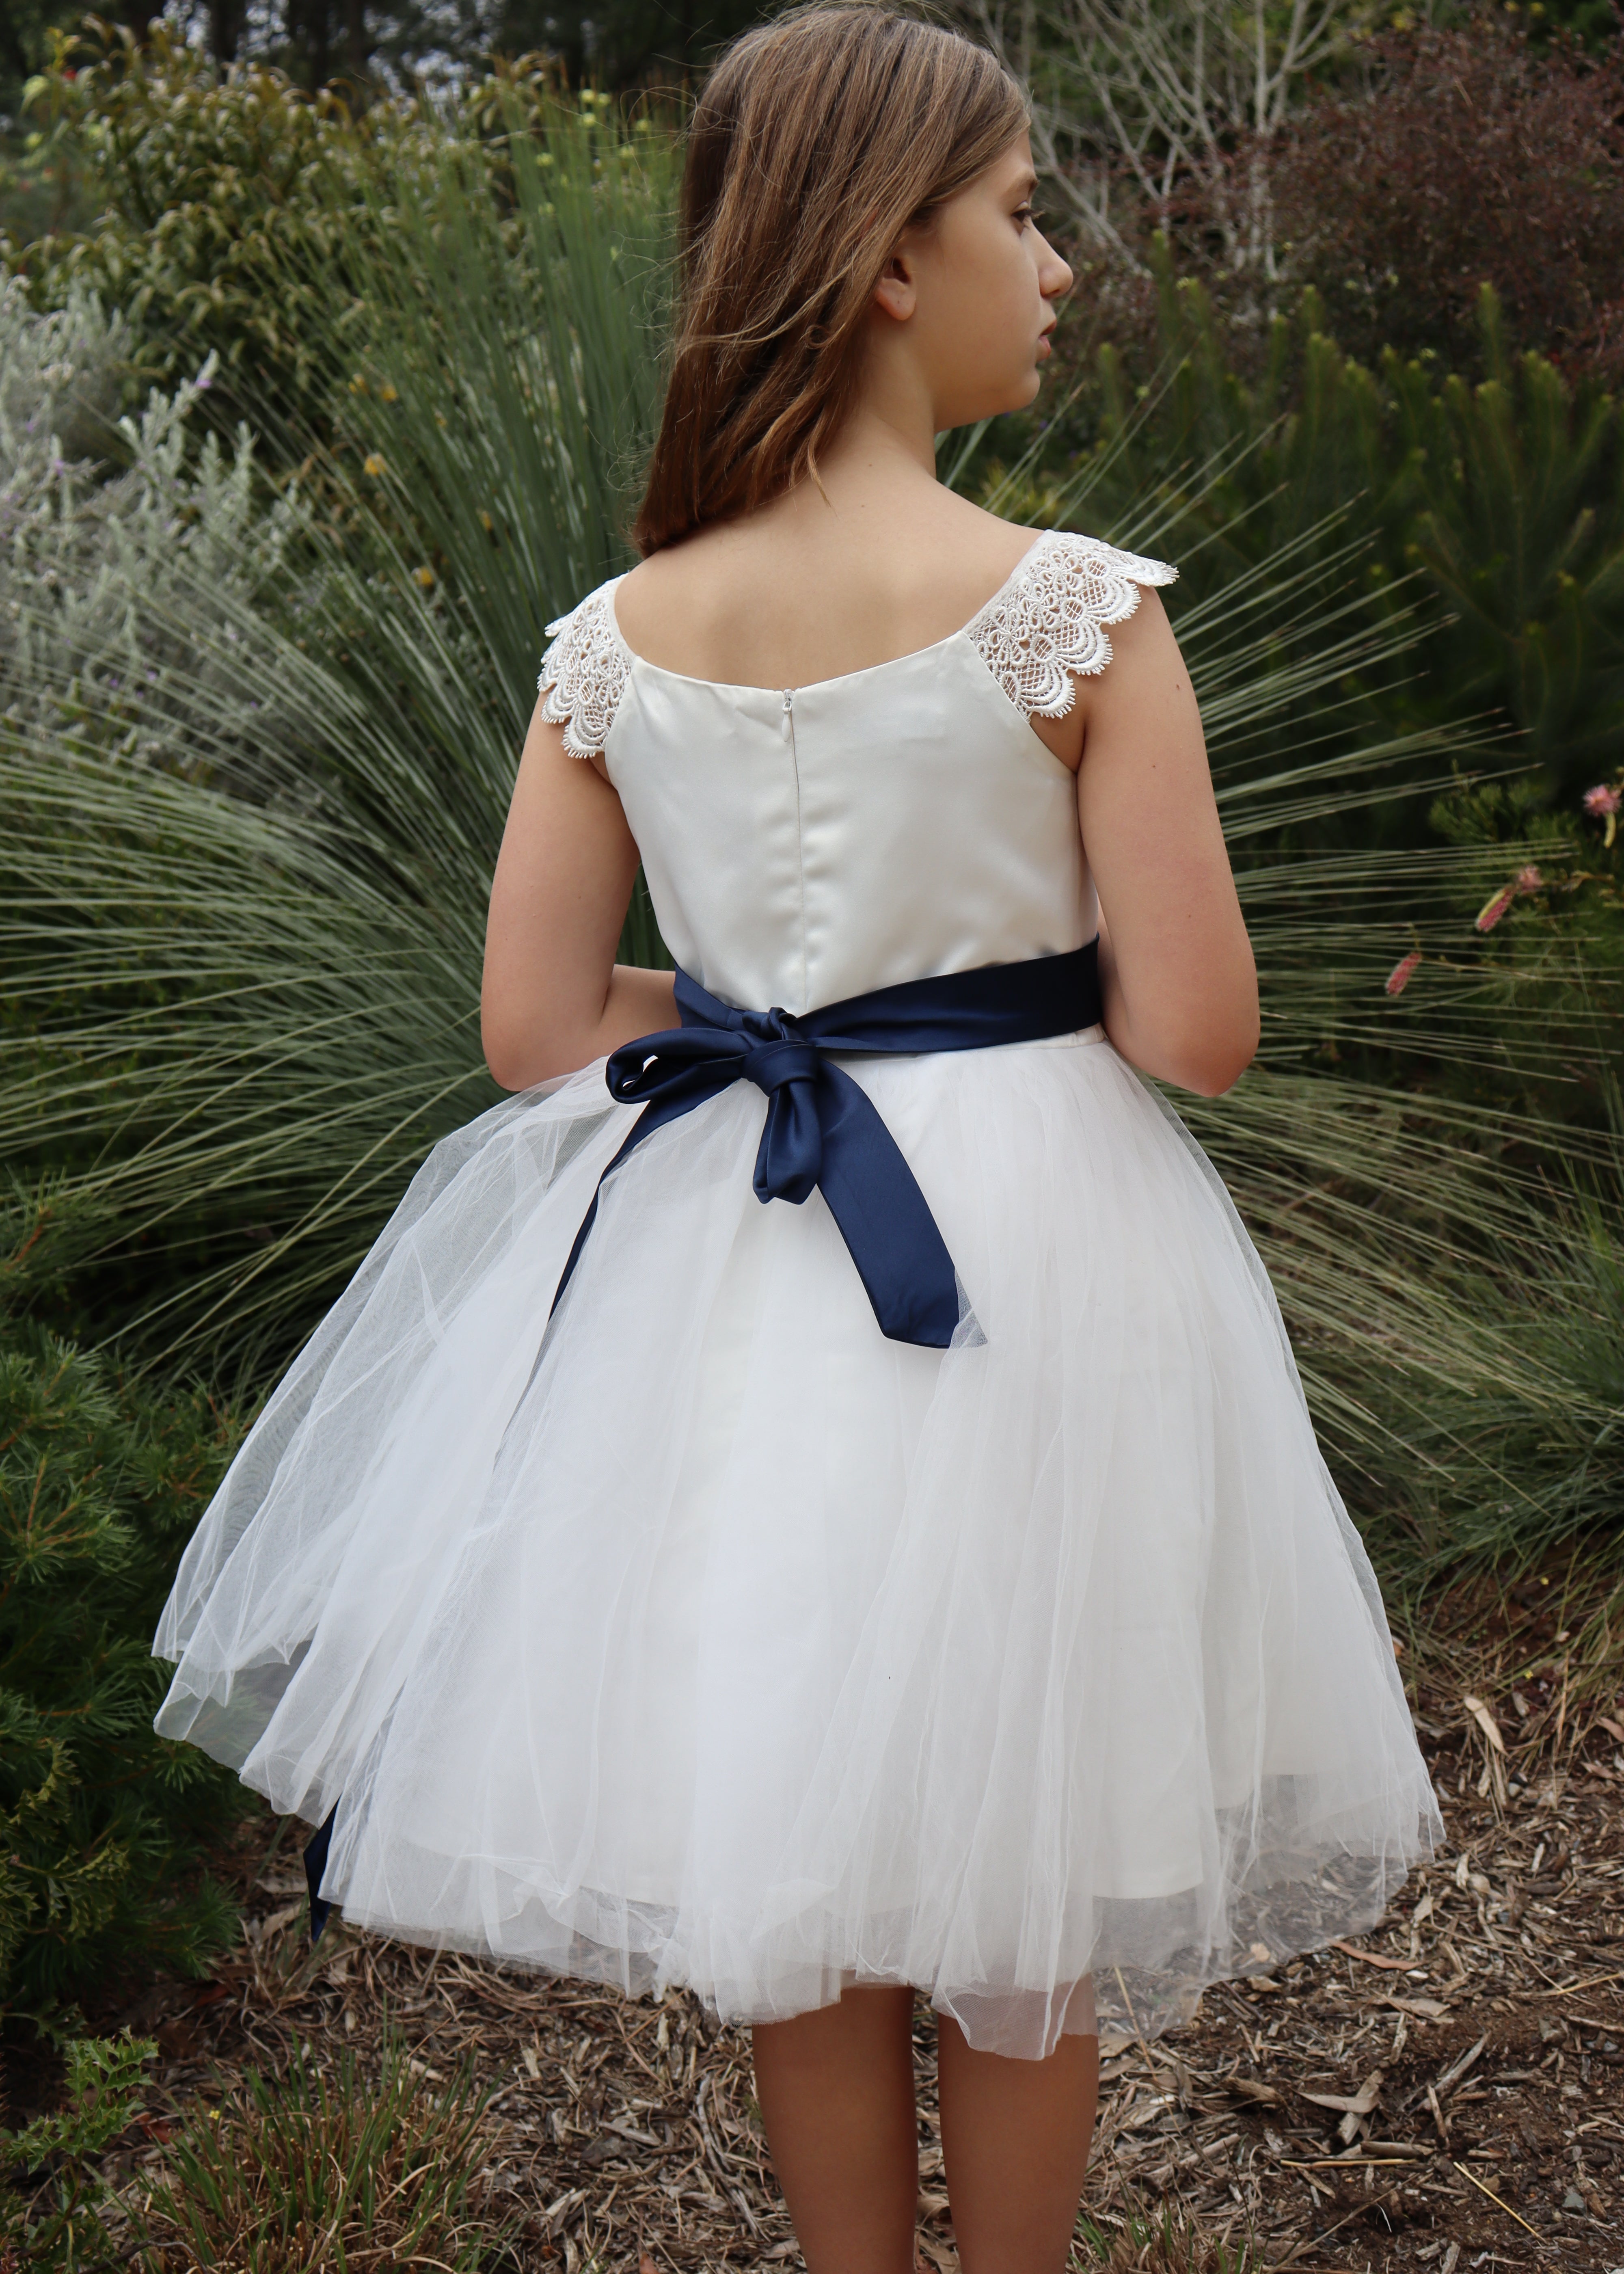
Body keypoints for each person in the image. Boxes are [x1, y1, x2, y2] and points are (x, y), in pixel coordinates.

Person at [153, 8, 1440, 2268]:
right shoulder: (1076, 615)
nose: (1060, 266)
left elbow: (535, 1025)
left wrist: (747, 1016)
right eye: (1024, 216)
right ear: (883, 261)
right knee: (1024, 1836)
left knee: (800, 1835)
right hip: (1028, 1258)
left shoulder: (617, 642)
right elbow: (1203, 1033)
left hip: (731, 1267)